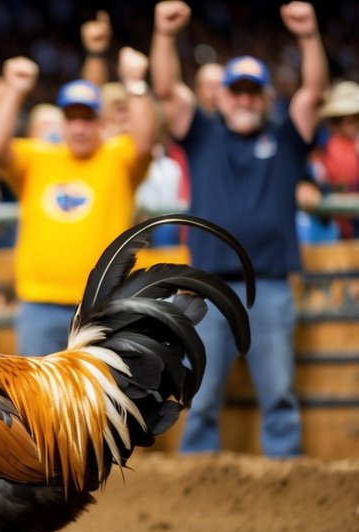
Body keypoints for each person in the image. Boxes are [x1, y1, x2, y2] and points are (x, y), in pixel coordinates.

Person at [151, 1, 326, 459]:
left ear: (266, 97)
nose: (245, 99)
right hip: (206, 290)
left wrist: (308, 36)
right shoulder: (204, 135)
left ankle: (286, 478)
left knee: (280, 394)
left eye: (254, 92)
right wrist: (164, 35)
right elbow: (167, 90)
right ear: (222, 97)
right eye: (238, 91)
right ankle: (198, 482)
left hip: (267, 286)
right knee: (201, 396)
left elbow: (313, 92)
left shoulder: (286, 138)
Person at [0, 48, 156, 357]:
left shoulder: (117, 158)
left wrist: (136, 84)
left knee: (102, 403)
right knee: (36, 404)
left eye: (87, 118)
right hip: (39, 305)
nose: (79, 127)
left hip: (102, 306)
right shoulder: (39, 157)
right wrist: (14, 90)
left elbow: (145, 142)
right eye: (72, 118)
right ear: (62, 122)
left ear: (100, 121)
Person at [314, 80, 359, 238]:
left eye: (355, 117)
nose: (350, 123)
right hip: (339, 233)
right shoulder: (327, 150)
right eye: (342, 119)